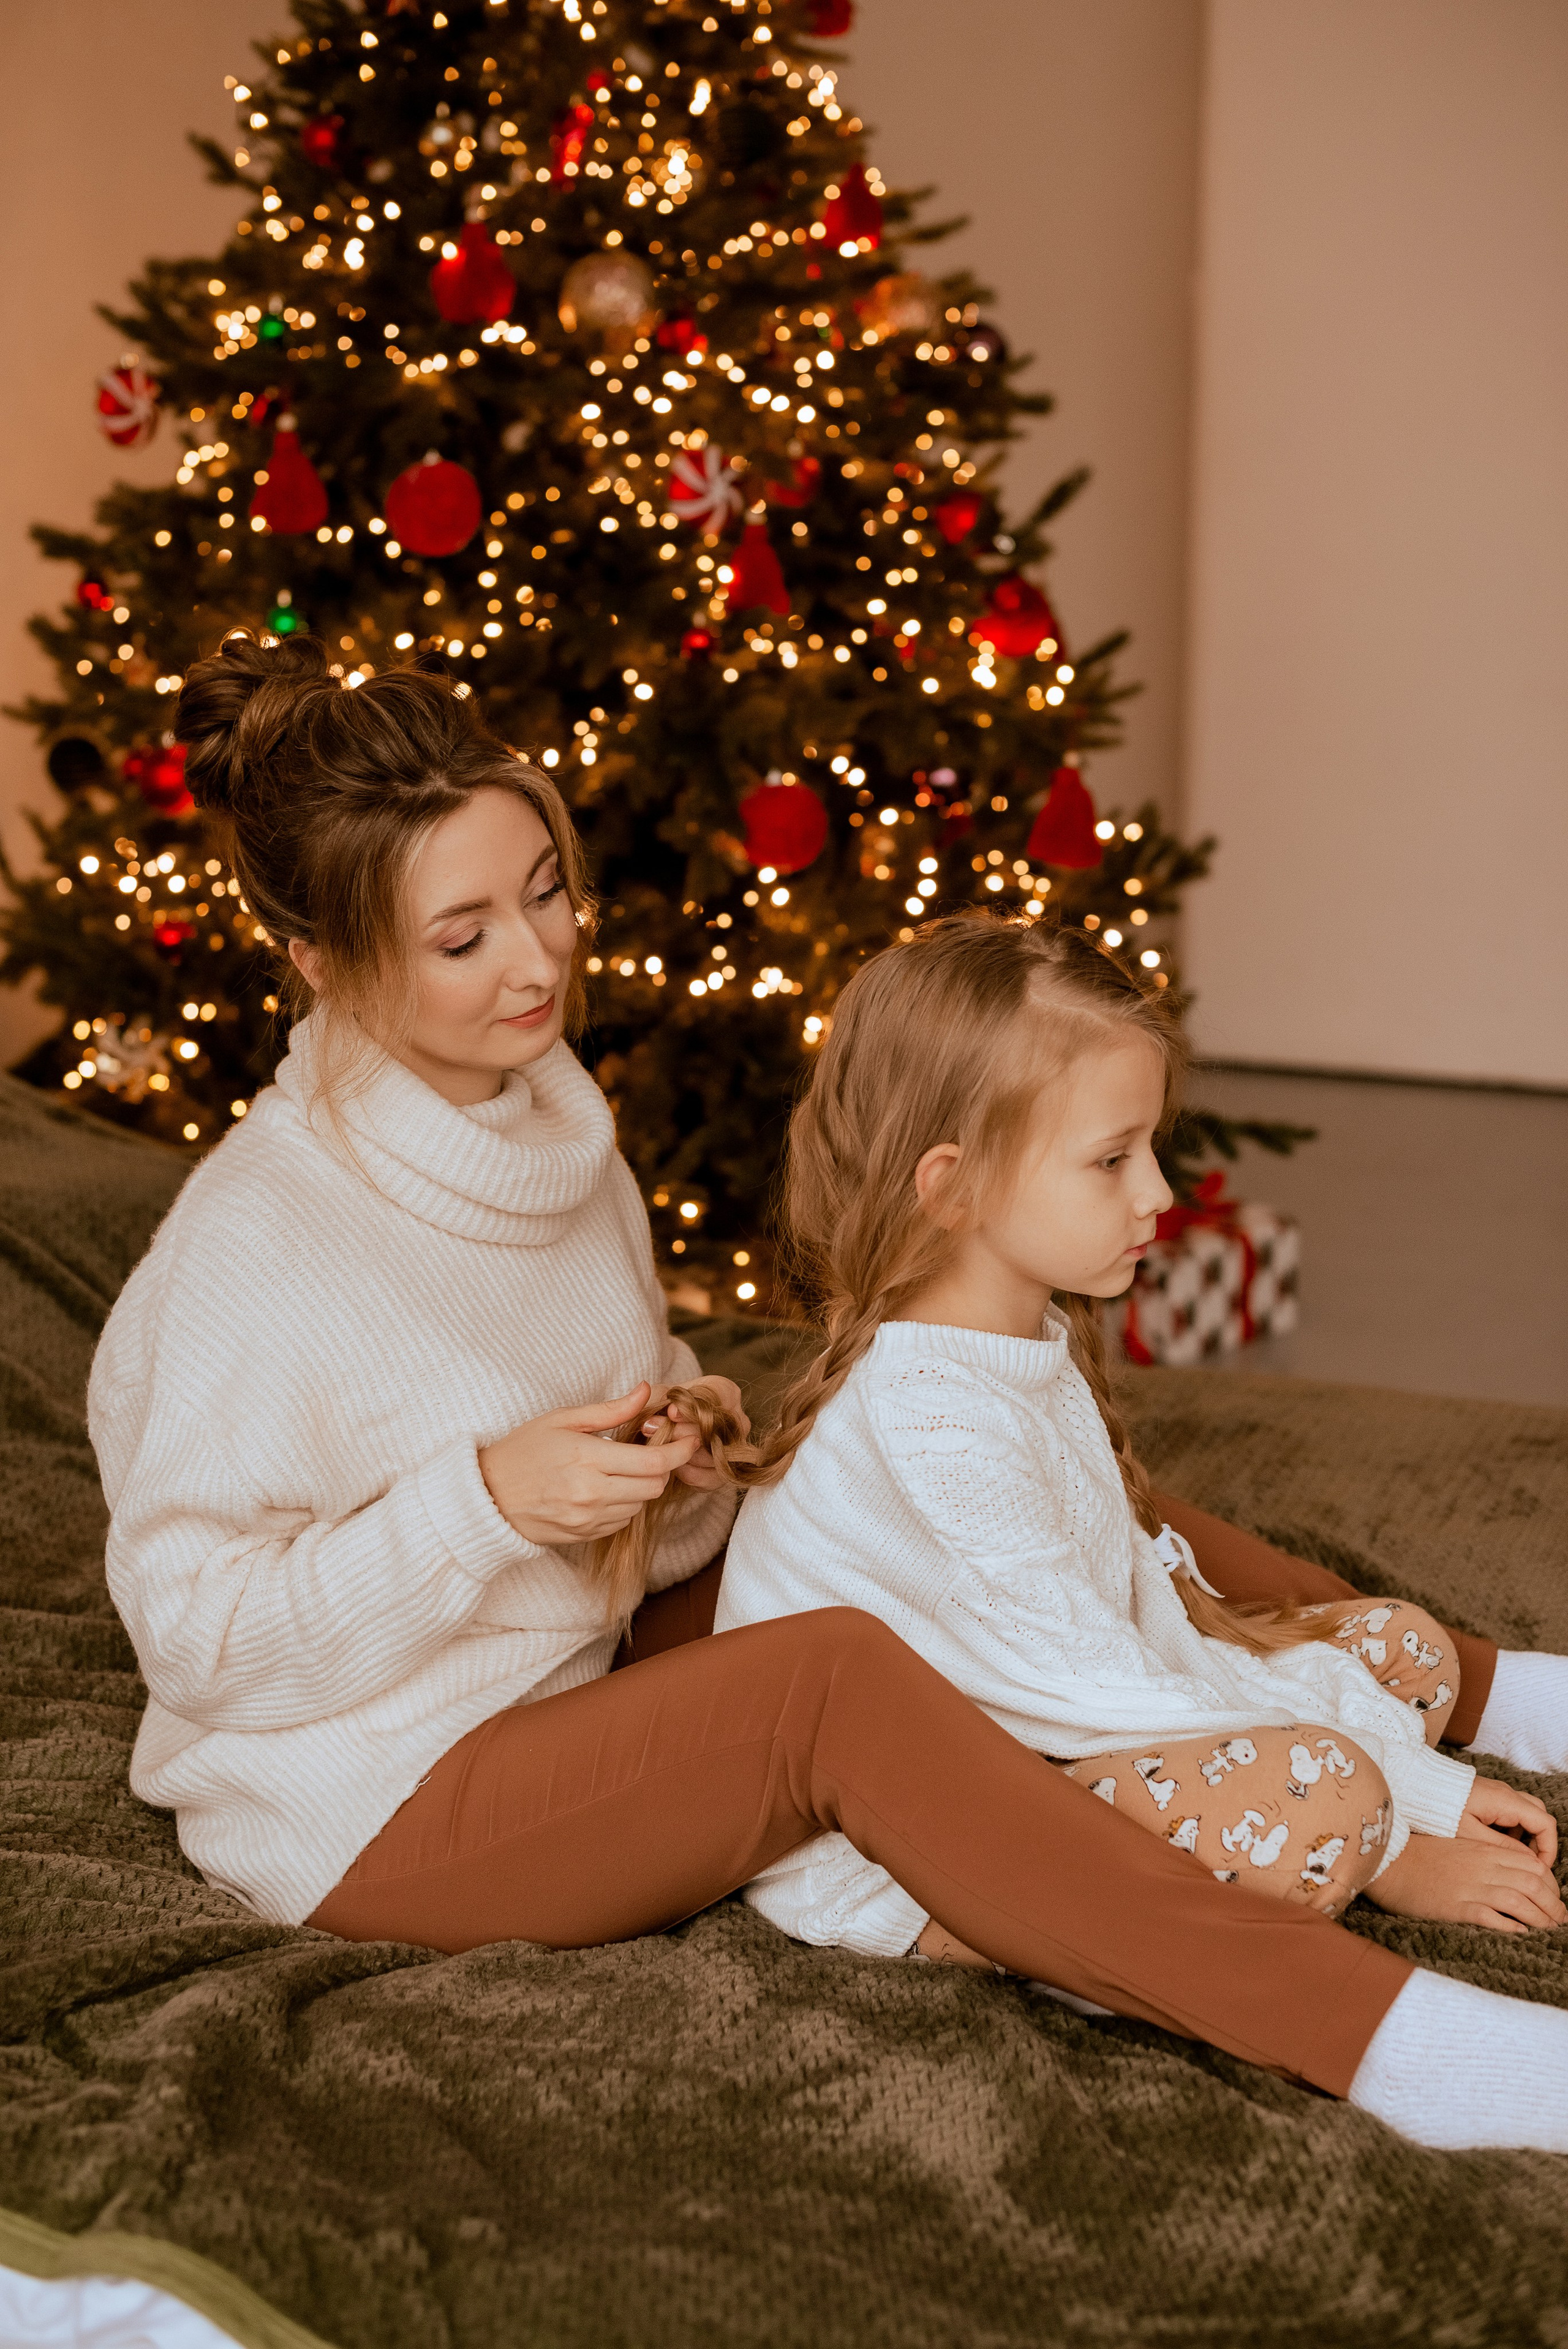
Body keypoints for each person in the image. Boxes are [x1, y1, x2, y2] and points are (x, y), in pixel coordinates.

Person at [88, 635, 1567, 2163]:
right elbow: (200, 1642)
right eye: (462, 937)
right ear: (321, 961)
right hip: (376, 1800)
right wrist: (483, 1503)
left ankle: (1500, 1690)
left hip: (570, 1655)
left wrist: (675, 1437)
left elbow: (572, 1405)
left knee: (965, 1436)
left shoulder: (552, 1132)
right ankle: (1393, 2041)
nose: (538, 961)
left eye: (542, 890)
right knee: (828, 1685)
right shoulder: (254, 1245)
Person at [693, 908, 1568, 2150]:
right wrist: (1402, 1830)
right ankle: (1043, 1938)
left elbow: (1131, 1617)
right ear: (951, 1187)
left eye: (1147, 1149)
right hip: (914, 1846)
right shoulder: (931, 1419)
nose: (1157, 1194)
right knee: (1327, 1806)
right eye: (1110, 1161)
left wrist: (1374, 1726)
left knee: (1402, 1654)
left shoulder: (1015, 1342)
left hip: (1047, 1716)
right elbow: (1097, 1682)